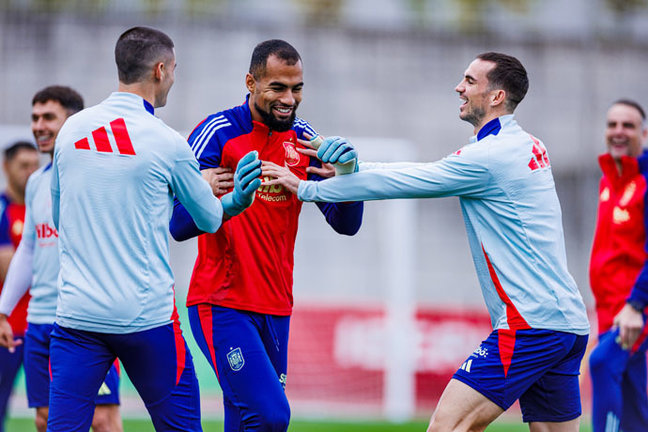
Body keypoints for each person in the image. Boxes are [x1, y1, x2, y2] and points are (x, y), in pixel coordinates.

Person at [262, 52, 591, 431]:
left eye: (470, 81)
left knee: (446, 426)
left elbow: (411, 182)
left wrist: (307, 188)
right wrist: (353, 168)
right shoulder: (526, 144)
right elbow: (424, 172)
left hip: (531, 322)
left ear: (496, 96)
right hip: (568, 322)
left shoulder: (490, 156)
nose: (459, 87)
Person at [41, 26, 260, 432]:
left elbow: (59, 217)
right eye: (174, 69)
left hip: (77, 317)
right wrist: (237, 200)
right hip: (147, 321)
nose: (174, 78)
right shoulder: (166, 142)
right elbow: (210, 218)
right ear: (160, 70)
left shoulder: (71, 131)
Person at [169, 39, 364, 432]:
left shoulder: (305, 140)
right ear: (251, 83)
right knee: (272, 416)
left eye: (297, 88)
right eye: (278, 87)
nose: (289, 99)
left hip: (277, 308)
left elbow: (346, 224)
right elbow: (177, 226)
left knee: (243, 420)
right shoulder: (216, 133)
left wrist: (349, 179)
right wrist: (212, 195)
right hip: (222, 303)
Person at [0, 87, 123, 432]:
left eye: (48, 117)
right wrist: (4, 309)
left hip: (84, 321)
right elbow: (28, 249)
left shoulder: (99, 175)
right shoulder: (36, 183)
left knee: (103, 418)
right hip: (39, 323)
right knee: (44, 419)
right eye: (35, 117)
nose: (38, 126)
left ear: (73, 122)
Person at [588, 99, 648, 432]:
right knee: (633, 397)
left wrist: (636, 304)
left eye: (627, 125)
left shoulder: (645, 182)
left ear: (644, 133)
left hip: (635, 311)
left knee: (602, 362)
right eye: (612, 125)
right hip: (610, 310)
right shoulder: (609, 182)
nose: (618, 132)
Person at [0, 141, 39, 432]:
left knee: (50, 410)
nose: (30, 172)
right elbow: (7, 269)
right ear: (7, 167)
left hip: (41, 324)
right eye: (23, 166)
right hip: (8, 328)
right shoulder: (3, 211)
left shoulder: (42, 207)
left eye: (34, 165)